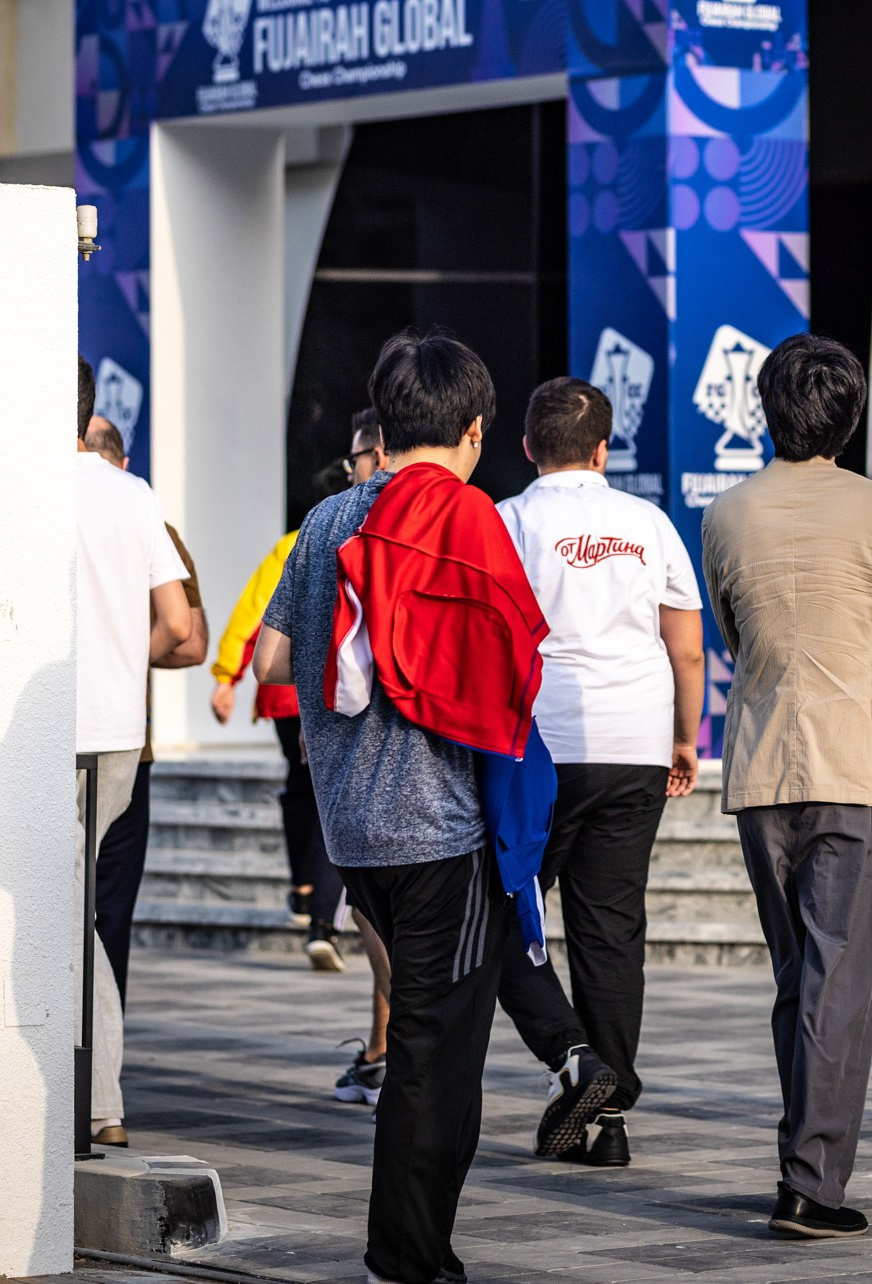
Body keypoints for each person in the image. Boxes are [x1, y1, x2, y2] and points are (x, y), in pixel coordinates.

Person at [253, 330, 556, 1284]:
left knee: (421, 1041)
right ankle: (409, 1258)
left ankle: (410, 1249)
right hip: (444, 831)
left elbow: (287, 666)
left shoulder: (323, 525)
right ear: (473, 430)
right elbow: (510, 673)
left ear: (383, 425)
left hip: (355, 834)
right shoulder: (471, 521)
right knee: (437, 1055)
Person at [700, 334, 872, 1241]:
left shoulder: (724, 514)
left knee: (798, 975)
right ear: (851, 414)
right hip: (855, 760)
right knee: (841, 978)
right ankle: (812, 1182)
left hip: (761, 761)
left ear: (766, 410)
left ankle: (801, 1157)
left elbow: (730, 635)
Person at [495, 377, 705, 1167]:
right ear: (604, 449)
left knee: (500, 915)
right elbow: (685, 645)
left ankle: (571, 1054)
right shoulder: (648, 523)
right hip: (636, 742)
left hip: (538, 745)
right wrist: (685, 738)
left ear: (526, 446)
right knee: (611, 931)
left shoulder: (508, 519)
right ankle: (609, 1123)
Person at [211, 411, 381, 975]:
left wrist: (224, 678)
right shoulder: (377, 534)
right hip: (330, 696)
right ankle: (322, 919)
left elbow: (254, 618)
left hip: (289, 698)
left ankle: (306, 889)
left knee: (299, 791)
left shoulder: (299, 539)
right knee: (329, 798)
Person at [76, 364, 196, 1149]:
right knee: (75, 909)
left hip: (42, 728)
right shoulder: (133, 492)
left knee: (53, 912)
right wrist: (120, 662)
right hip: (120, 730)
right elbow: (182, 628)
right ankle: (99, 1104)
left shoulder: (20, 486)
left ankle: (91, 1102)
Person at [85, 414, 211, 1039]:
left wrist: (116, 649)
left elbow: (191, 641)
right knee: (101, 915)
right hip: (124, 741)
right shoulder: (140, 508)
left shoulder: (151, 523)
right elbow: (188, 637)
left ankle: (93, 1075)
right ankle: (96, 1089)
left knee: (100, 915)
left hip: (127, 748)